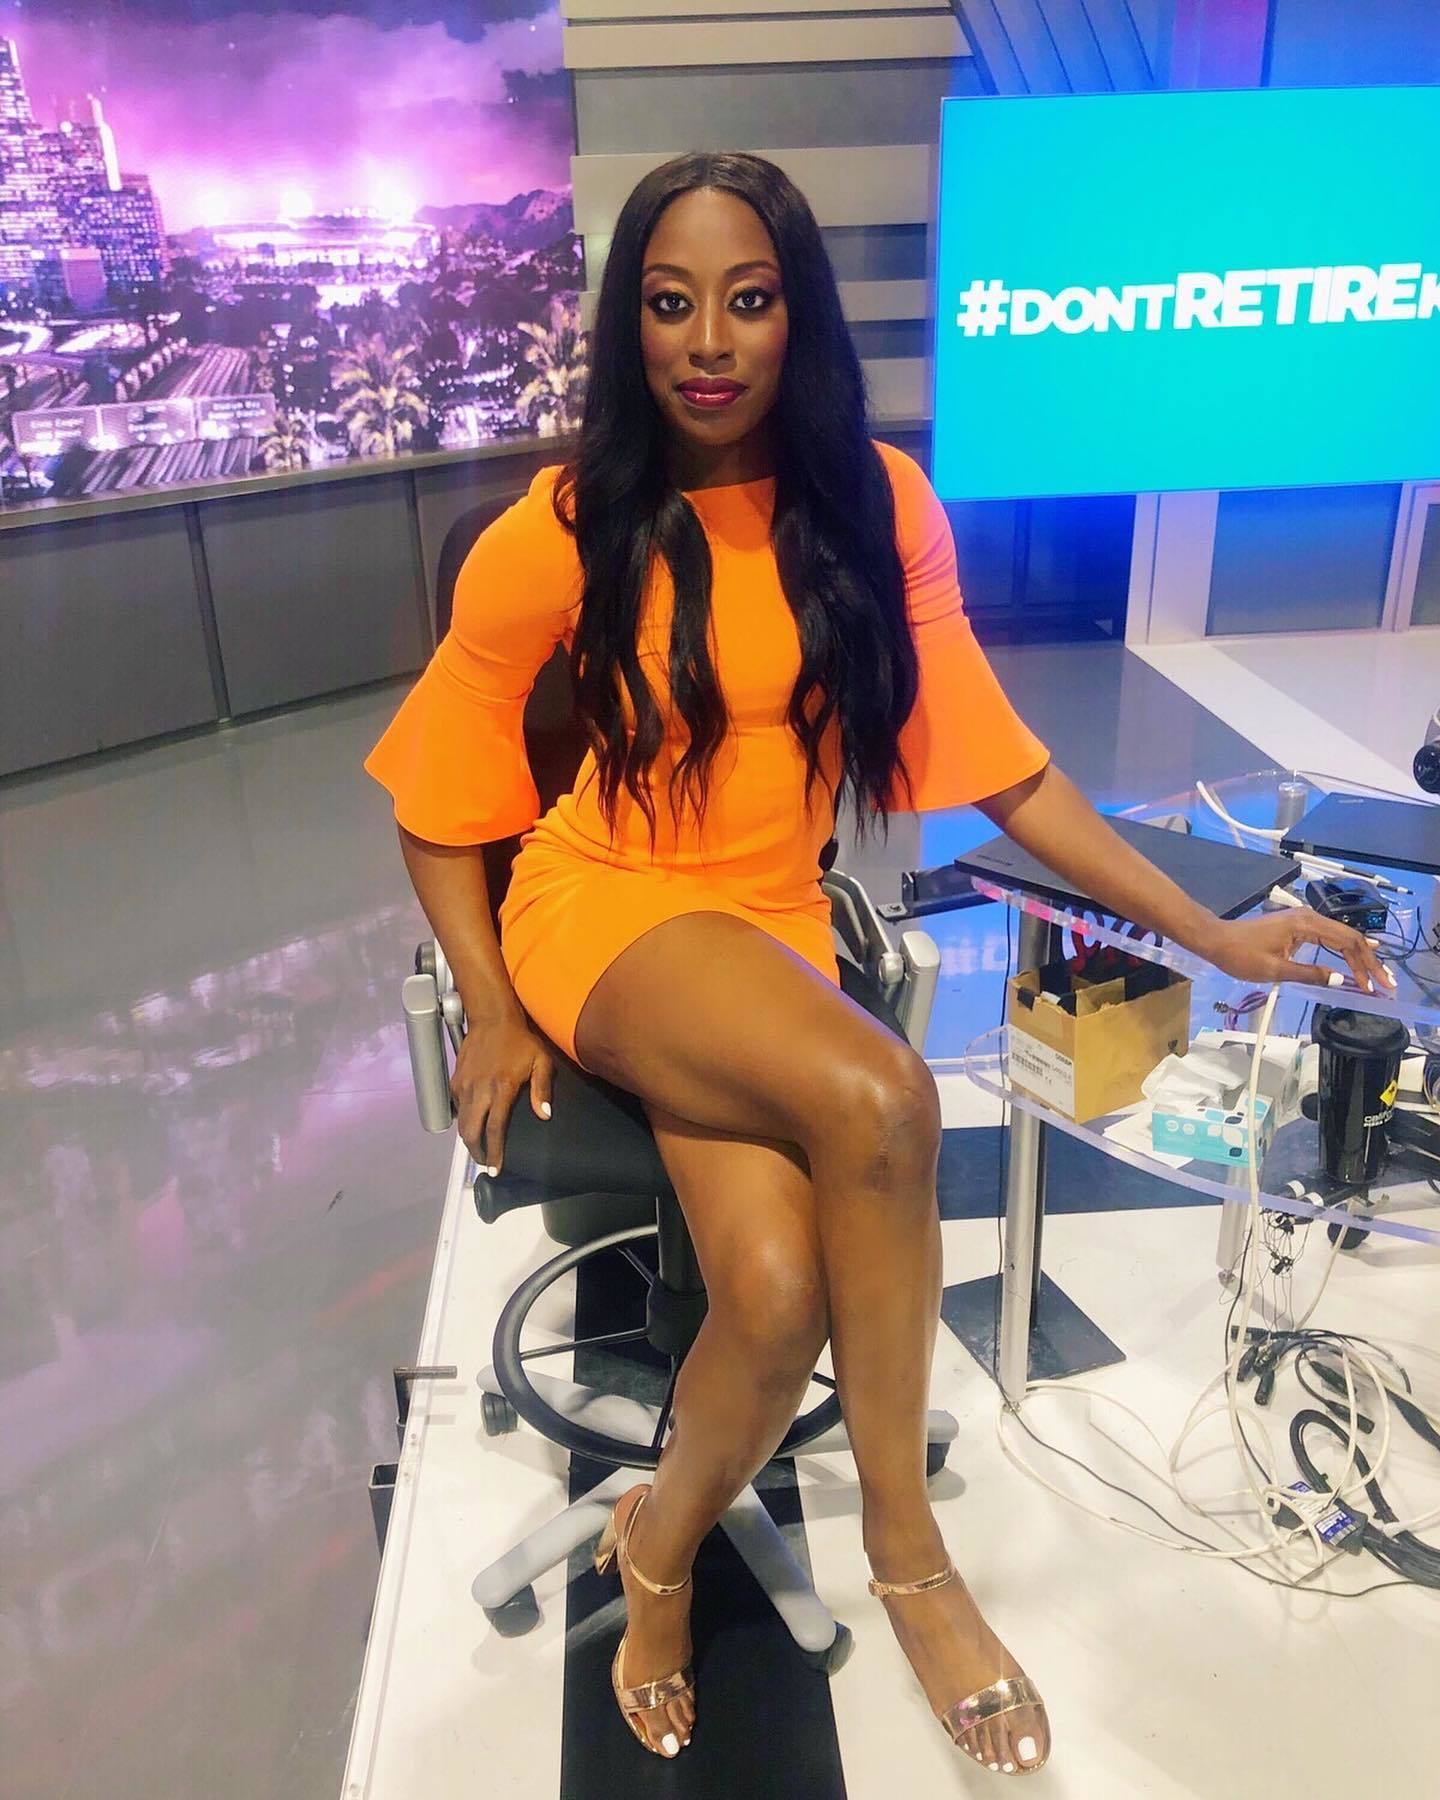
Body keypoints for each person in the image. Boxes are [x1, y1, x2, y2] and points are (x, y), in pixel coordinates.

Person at [365, 152, 1388, 1776]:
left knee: (776, 1302)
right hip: (606, 909)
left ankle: (653, 1550)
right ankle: (912, 1560)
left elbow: (1009, 770)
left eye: (749, 301)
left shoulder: (878, 507)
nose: (710, 342)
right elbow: (437, 794)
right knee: (887, 1095)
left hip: (765, 925)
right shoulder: (558, 530)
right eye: (671, 304)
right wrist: (487, 1005)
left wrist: (1209, 928)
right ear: (629, 324)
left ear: (802, 318)